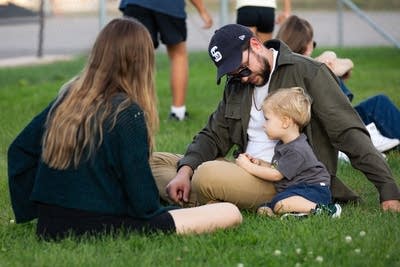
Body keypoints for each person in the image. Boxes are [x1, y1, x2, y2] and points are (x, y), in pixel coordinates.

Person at [7, 18, 242, 240]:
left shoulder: (67, 98)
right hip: (104, 223)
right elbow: (144, 204)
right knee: (230, 211)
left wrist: (38, 207)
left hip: (49, 225)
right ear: (141, 62)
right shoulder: (127, 113)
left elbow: (19, 151)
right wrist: (164, 210)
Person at [150, 23, 400, 213]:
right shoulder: (237, 85)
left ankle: (213, 198)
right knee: (155, 162)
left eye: (244, 68)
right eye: (235, 74)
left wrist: (388, 189)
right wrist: (185, 171)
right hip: (247, 169)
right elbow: (213, 134)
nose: (243, 78)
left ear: (257, 45)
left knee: (206, 175)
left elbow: (348, 132)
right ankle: (215, 200)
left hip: (287, 180)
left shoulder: (308, 73)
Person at [275, 15, 400, 153]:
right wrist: (327, 63)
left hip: (334, 120)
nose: (313, 47)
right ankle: (362, 140)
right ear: (305, 46)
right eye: (313, 43)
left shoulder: (289, 65)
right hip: (324, 129)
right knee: (377, 104)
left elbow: (347, 64)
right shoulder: (307, 69)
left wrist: (331, 58)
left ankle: (371, 137)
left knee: (378, 102)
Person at [236, 87, 341, 218]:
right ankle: (298, 215)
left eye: (267, 119)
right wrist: (259, 163)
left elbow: (276, 175)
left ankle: (326, 210)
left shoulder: (297, 149)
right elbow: (277, 168)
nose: (264, 125)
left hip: (313, 190)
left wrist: (248, 166)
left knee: (280, 205)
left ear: (285, 122)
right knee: (263, 210)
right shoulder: (284, 145)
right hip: (296, 190)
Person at [119, 0, 213, 121]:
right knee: (178, 55)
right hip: (170, 5)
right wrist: (202, 10)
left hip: (136, 3)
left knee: (136, 57)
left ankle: (133, 110)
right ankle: (178, 113)